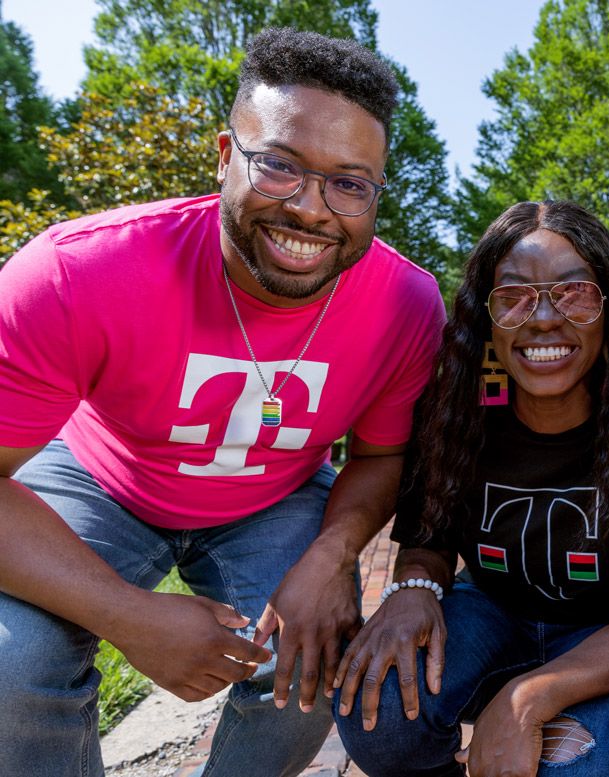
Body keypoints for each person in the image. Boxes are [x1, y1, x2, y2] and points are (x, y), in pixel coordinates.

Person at [0, 28, 444, 777]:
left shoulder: (407, 303)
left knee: (311, 661)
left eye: (350, 182)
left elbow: (382, 455)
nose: (311, 209)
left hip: (275, 496)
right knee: (14, 666)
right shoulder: (76, 271)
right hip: (103, 476)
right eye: (278, 165)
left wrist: (333, 557)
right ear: (223, 154)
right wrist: (128, 616)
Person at [332, 200, 609, 777]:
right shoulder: (454, 413)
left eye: (573, 293)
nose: (542, 318)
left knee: (583, 769)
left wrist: (527, 699)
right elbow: (427, 542)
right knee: (377, 709)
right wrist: (412, 589)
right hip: (492, 614)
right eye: (513, 295)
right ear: (486, 318)